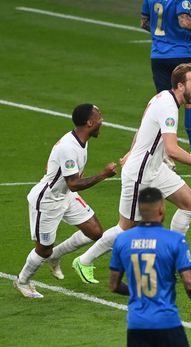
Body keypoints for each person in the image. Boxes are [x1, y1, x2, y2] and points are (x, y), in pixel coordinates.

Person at [73, 63, 191, 284]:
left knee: (190, 204)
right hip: (140, 175)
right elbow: (172, 149)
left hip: (155, 169)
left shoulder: (162, 97)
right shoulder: (168, 107)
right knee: (126, 229)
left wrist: (131, 151)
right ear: (180, 86)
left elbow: (143, 128)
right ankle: (84, 261)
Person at [108, 187, 191, 347]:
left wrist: (136, 290)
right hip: (167, 322)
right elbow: (189, 282)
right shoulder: (174, 240)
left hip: (137, 323)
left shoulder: (122, 241)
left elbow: (113, 285)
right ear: (161, 209)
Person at [13, 104, 116, 298]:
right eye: (99, 117)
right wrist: (103, 175)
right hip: (48, 201)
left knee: (94, 231)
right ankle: (23, 281)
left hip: (66, 195)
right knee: (43, 249)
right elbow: (74, 184)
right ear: (89, 122)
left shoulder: (80, 140)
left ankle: (56, 256)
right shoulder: (69, 147)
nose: (102, 120)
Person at [141, 0, 191, 164]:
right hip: (183, 54)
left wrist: (163, 36)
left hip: (159, 57)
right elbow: (184, 21)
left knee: (164, 104)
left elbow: (144, 23)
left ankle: (164, 158)